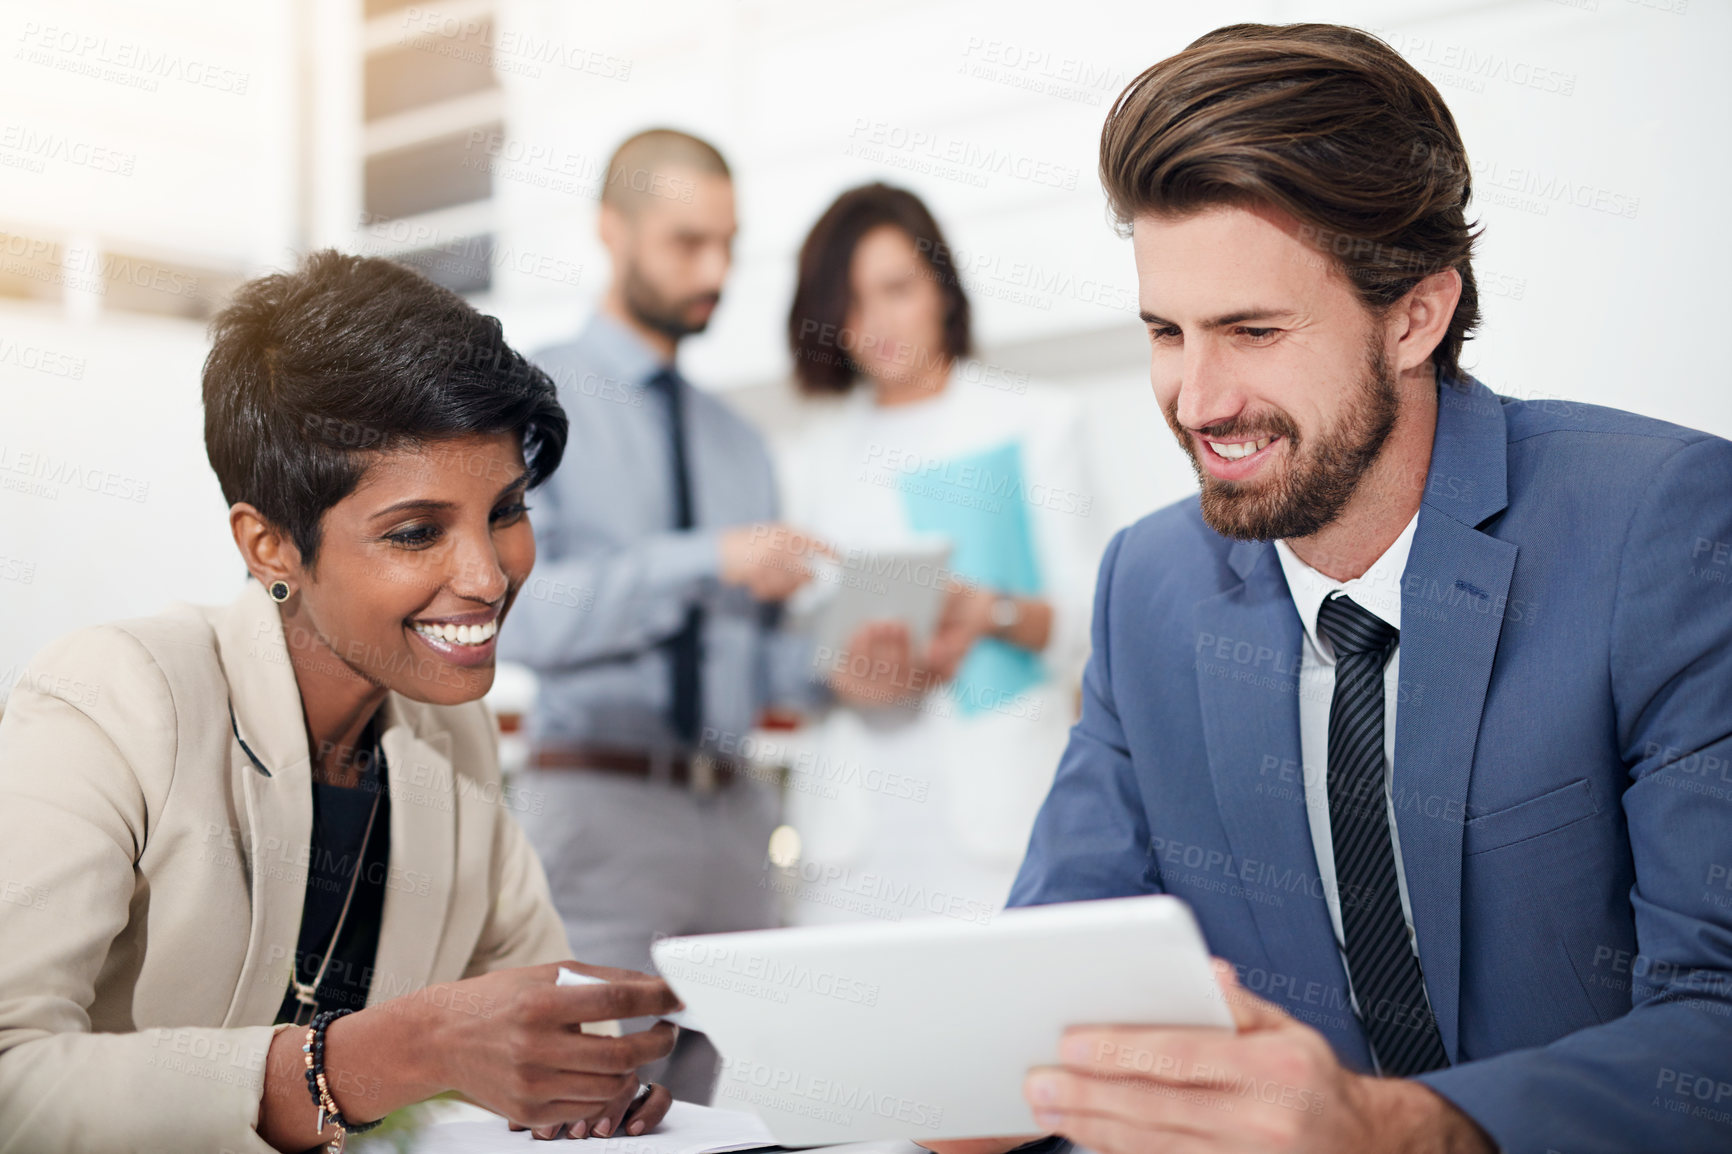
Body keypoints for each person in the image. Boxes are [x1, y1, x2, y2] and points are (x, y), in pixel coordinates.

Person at [937, 22, 1732, 1154]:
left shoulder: (1663, 525)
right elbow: (1052, 987)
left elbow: (1716, 1025)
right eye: (1167, 331)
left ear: (1414, 314)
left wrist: (1390, 1127)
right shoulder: (1148, 587)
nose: (1197, 399)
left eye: (1252, 331)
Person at [0, 252, 685, 1151]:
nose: (487, 576)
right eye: (416, 532)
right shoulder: (109, 703)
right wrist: (382, 1057)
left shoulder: (452, 733)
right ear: (271, 545)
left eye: (506, 511)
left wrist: (579, 1075)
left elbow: (529, 1003)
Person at [497, 129, 891, 1103]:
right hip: (602, 809)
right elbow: (529, 615)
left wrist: (830, 671)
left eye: (727, 243)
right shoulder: (528, 398)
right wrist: (707, 559)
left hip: (737, 819)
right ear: (610, 229)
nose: (713, 270)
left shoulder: (740, 444)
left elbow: (751, 663)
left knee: (736, 1106)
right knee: (594, 1098)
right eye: (686, 242)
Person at [776, 183, 1105, 925]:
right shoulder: (811, 457)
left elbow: (1091, 628)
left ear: (942, 287)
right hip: (853, 833)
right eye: (853, 301)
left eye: (897, 289)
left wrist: (984, 608)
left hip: (998, 823)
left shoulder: (1036, 423)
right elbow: (791, 644)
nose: (878, 323)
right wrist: (846, 669)